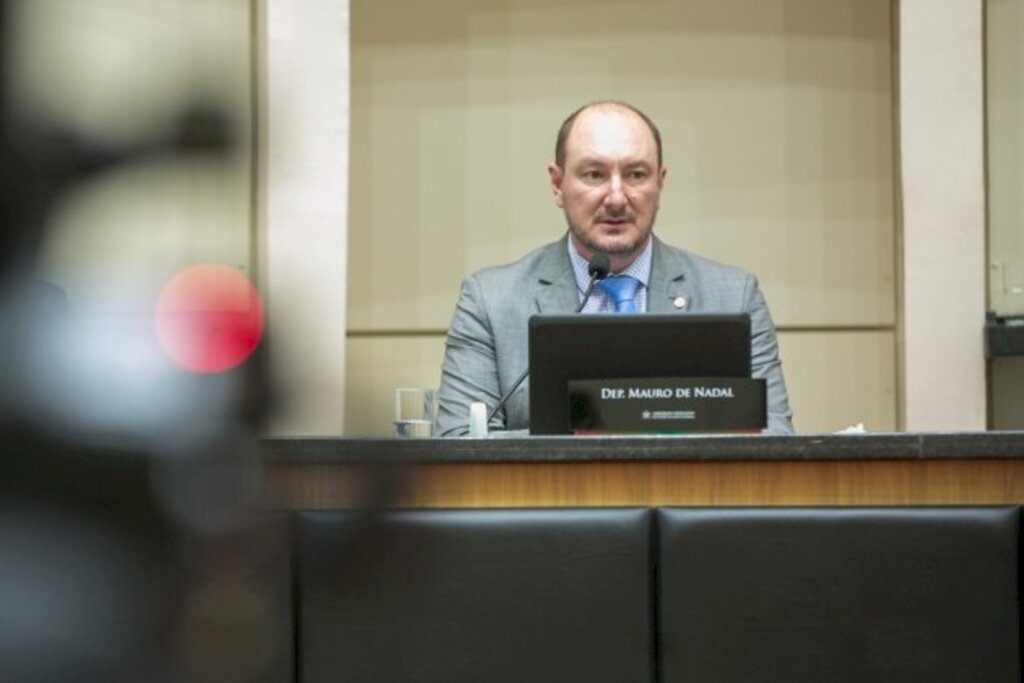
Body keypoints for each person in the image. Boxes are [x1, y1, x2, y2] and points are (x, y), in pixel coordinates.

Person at [435, 100, 793, 436]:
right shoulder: (490, 301)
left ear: (660, 183)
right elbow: (462, 444)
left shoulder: (734, 296)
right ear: (557, 185)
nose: (617, 197)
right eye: (594, 174)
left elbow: (774, 441)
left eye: (636, 174)